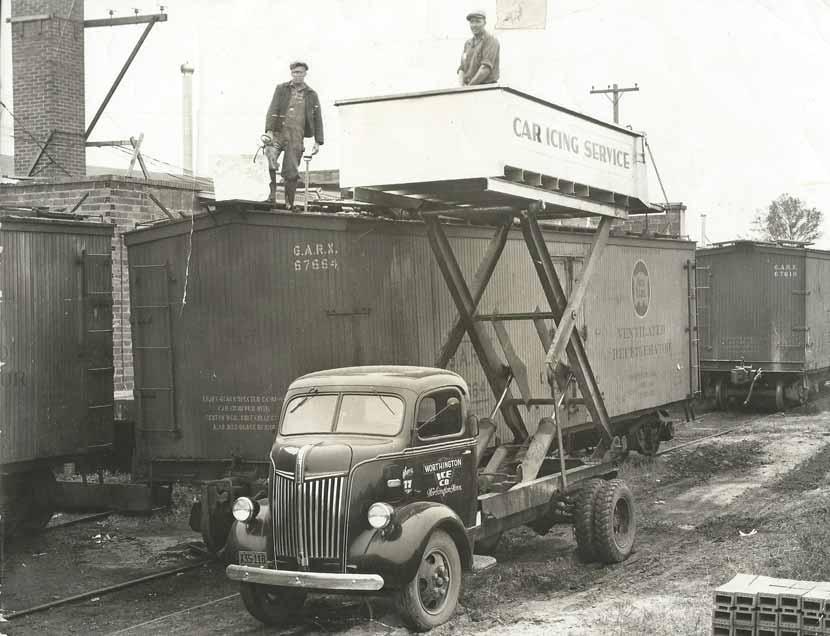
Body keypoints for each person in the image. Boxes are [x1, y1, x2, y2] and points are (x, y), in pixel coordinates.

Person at [263, 61, 324, 209]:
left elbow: (317, 118)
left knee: (291, 171)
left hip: (296, 136)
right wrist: (269, 131)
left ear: (305, 74)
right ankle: (270, 197)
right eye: (295, 72)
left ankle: (289, 203)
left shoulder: (311, 94)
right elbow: (272, 109)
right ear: (291, 73)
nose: (297, 75)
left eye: (300, 72)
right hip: (278, 134)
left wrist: (318, 141)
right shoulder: (281, 89)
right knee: (268, 160)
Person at [457, 10, 500, 86]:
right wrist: (461, 88)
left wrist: (469, 87)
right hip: (469, 88)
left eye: (478, 21)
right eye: (472, 22)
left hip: (486, 88)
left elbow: (485, 68)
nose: (474, 25)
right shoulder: (468, 43)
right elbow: (462, 68)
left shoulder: (491, 41)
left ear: (484, 23)